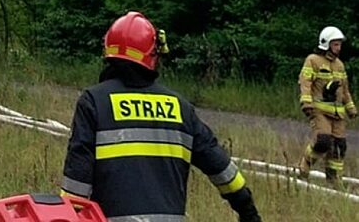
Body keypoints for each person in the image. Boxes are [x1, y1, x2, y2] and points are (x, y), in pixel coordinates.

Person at [61, 12, 262, 222]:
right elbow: (220, 167)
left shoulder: (94, 102)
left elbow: (77, 183)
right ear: (153, 54)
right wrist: (248, 211)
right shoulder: (180, 107)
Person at [298, 26, 357, 185]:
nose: (339, 47)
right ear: (326, 43)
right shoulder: (313, 60)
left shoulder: (340, 65)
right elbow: (305, 82)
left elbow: (345, 89)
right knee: (322, 141)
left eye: (339, 44)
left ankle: (333, 180)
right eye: (335, 44)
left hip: (338, 114)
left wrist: (351, 108)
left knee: (339, 147)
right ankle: (304, 168)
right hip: (319, 111)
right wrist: (306, 102)